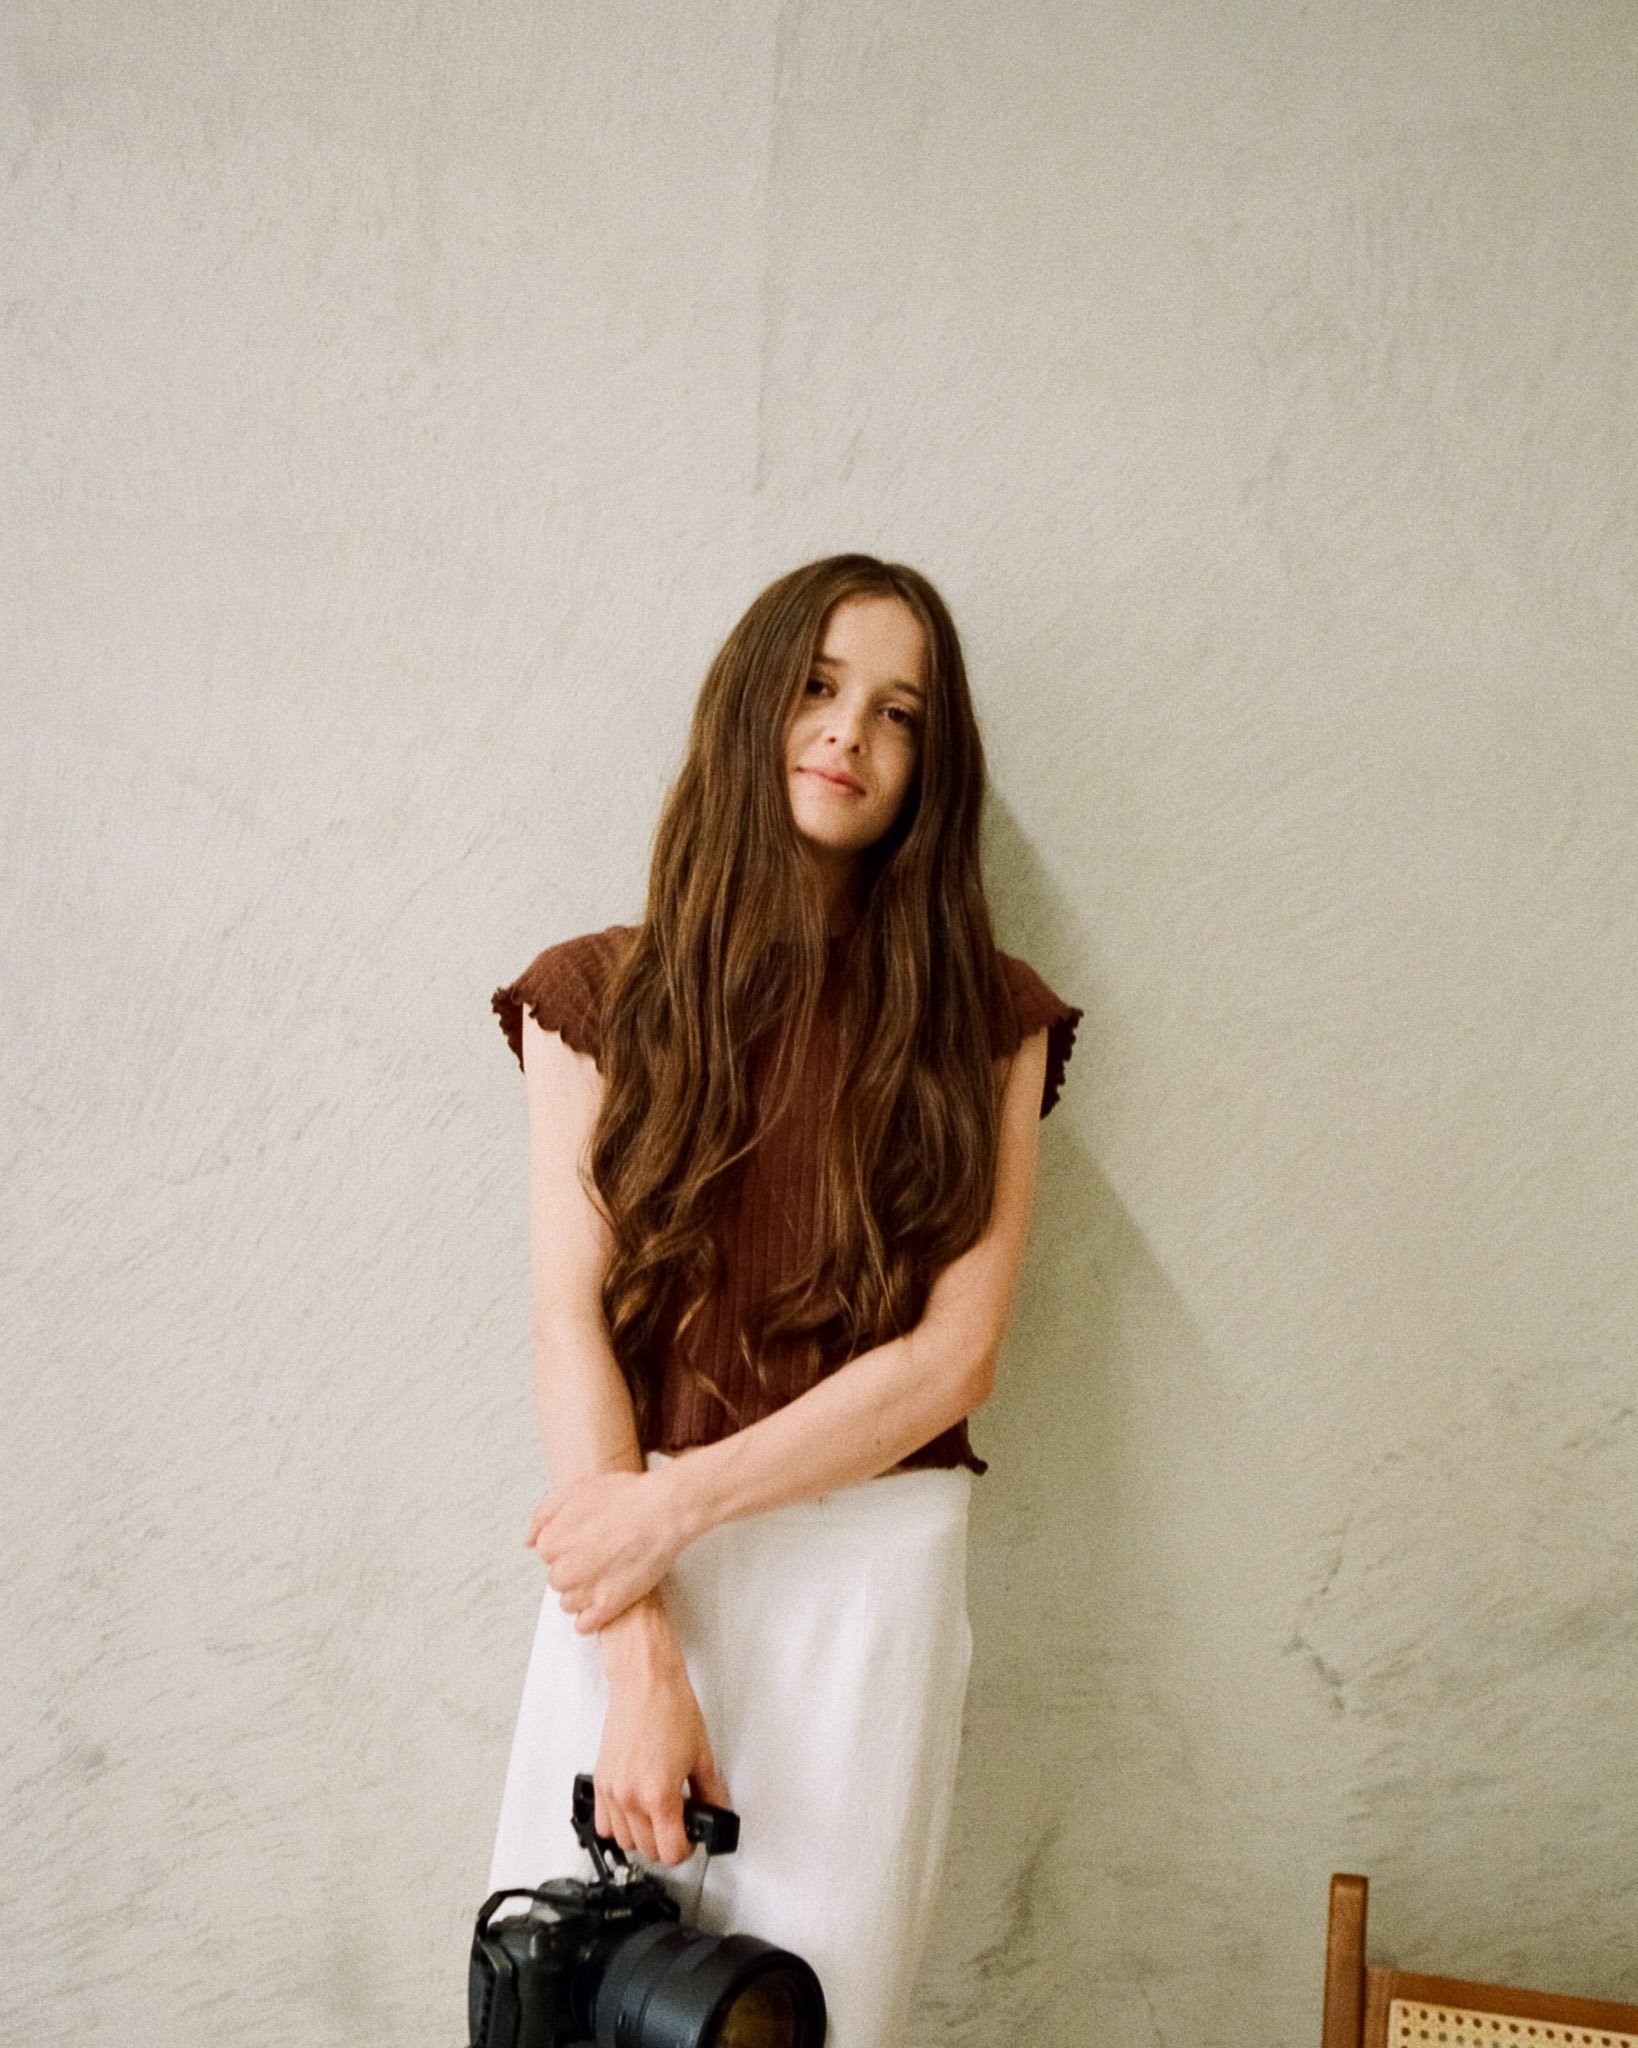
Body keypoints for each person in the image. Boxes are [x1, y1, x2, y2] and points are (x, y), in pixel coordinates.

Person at [484, 553, 1081, 2048]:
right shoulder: (593, 997)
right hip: (628, 1579)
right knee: (564, 2004)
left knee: (809, 2018)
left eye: (898, 712)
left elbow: (955, 1361)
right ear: (753, 703)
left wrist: (674, 1510)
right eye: (817, 686)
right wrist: (640, 1653)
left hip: (861, 1585)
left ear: (931, 765)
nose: (847, 733)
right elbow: (573, 1328)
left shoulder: (988, 1020)